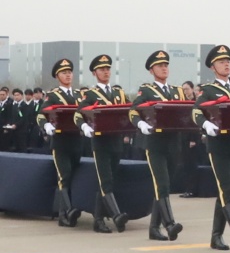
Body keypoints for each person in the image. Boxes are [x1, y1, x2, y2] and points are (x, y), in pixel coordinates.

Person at [192, 45, 230, 252]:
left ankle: (216, 236)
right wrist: (206, 124)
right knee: (227, 188)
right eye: (221, 62)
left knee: (227, 189)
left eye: (228, 61)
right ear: (212, 67)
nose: (226, 64)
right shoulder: (208, 90)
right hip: (218, 145)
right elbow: (196, 112)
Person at [129, 50, 187, 241]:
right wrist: (141, 124)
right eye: (160, 66)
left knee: (164, 186)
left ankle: (154, 228)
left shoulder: (177, 91)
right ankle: (169, 224)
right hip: (154, 143)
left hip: (173, 143)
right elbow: (133, 111)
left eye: (166, 65)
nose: (164, 68)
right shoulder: (146, 91)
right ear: (151, 70)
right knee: (161, 183)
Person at [75, 54, 130, 233]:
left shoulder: (119, 93)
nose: (106, 72)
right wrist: (85, 126)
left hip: (116, 141)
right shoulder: (90, 94)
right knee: (105, 180)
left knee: (107, 182)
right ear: (94, 73)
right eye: (102, 69)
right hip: (100, 143)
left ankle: (98, 220)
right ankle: (116, 215)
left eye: (107, 69)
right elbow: (78, 114)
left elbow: (129, 111)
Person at [36, 59, 84, 228]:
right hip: (61, 142)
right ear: (57, 76)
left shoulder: (78, 95)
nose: (68, 75)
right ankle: (65, 213)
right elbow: (41, 114)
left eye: (70, 72)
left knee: (73, 177)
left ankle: (68, 213)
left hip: (77, 141)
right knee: (64, 176)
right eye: (64, 73)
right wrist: (46, 125)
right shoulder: (53, 95)